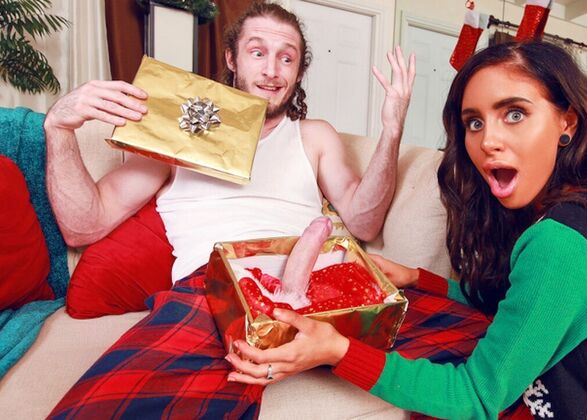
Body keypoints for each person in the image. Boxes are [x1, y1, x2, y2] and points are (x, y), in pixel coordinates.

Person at [226, 41, 587, 419]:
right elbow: (523, 307)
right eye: (474, 122)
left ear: (567, 121)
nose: (488, 141)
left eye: (515, 114)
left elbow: (476, 397)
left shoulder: (561, 242)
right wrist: (420, 279)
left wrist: (336, 350)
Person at [46, 2, 414, 417]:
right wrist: (59, 126)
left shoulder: (314, 136)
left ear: (298, 72)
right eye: (257, 52)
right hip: (212, 291)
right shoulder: (176, 136)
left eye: (286, 58)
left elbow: (365, 222)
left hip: (317, 285)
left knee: (463, 352)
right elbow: (85, 226)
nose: (272, 70)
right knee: (104, 409)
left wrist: (392, 129)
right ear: (231, 59)